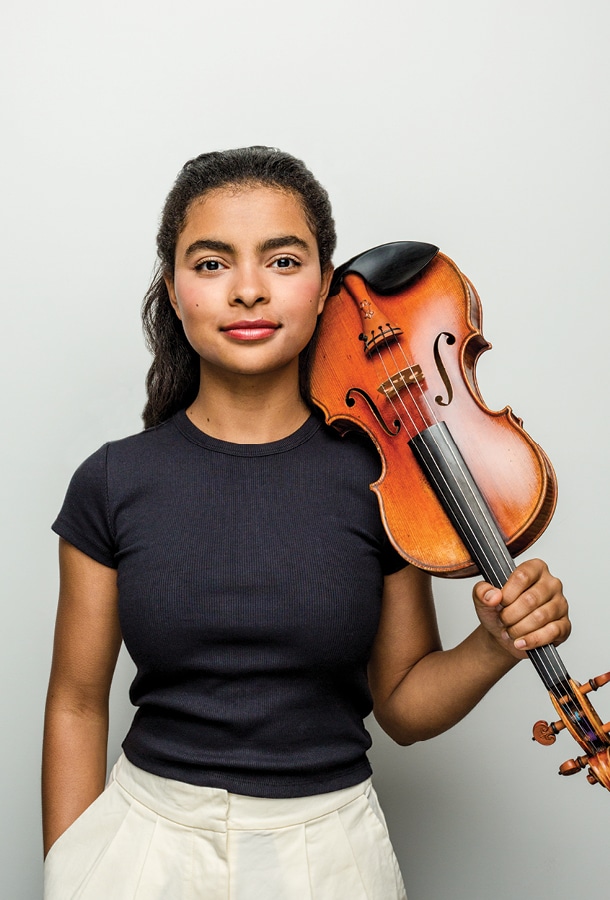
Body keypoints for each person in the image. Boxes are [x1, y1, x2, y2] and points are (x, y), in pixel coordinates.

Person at [42, 146, 570, 899]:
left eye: (283, 261)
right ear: (173, 287)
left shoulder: (388, 479)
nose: (249, 290)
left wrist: (493, 645)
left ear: (327, 287)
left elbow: (405, 707)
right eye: (212, 263)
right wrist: (69, 867)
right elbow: (76, 700)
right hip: (143, 847)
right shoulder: (112, 480)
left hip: (330, 857)